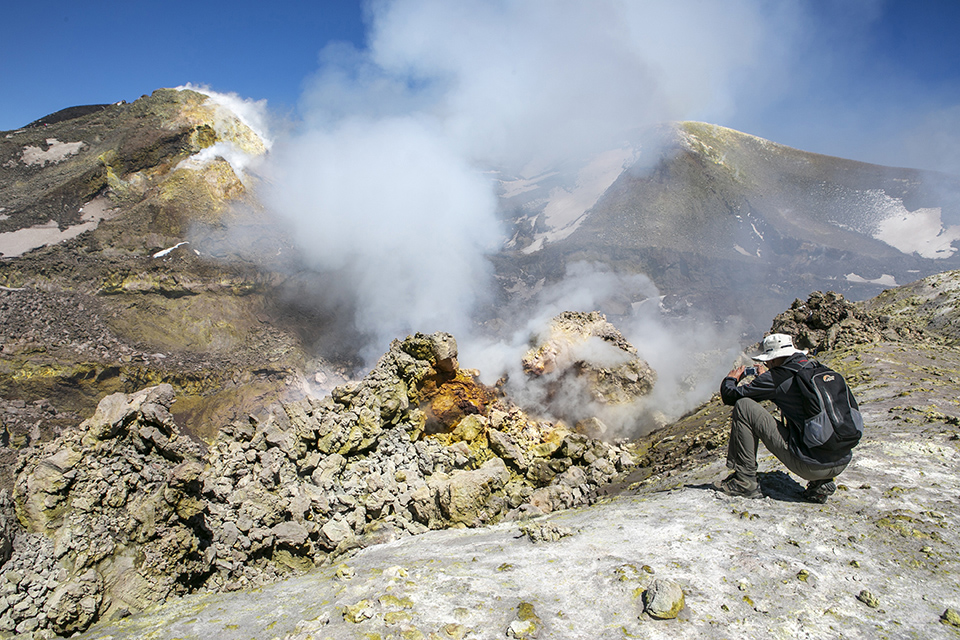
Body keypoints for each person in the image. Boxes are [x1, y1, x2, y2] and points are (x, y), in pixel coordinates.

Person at [714, 333, 850, 502]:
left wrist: (730, 379)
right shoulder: (816, 368)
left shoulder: (776, 377)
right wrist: (766, 379)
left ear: (774, 358)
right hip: (841, 461)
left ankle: (744, 481)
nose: (767, 363)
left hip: (811, 466)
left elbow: (730, 396)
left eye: (768, 360)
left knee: (744, 406)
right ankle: (821, 484)